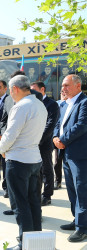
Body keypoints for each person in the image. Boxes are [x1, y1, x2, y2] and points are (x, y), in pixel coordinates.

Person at [0, 75, 47, 250]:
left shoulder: (21, 107)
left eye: (10, 91)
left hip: (18, 161)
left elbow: (10, 135)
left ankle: (25, 244)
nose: (11, 94)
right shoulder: (40, 105)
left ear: (15, 89)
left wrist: (1, 149)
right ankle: (38, 243)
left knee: (20, 204)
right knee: (34, 202)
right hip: (34, 159)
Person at [53, 74, 87, 242]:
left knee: (82, 191)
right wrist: (55, 138)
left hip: (80, 155)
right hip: (65, 154)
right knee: (72, 190)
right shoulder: (65, 104)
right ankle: (77, 220)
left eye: (66, 85)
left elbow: (81, 126)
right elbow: (58, 124)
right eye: (63, 85)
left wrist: (63, 140)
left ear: (78, 86)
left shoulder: (84, 103)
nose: (63, 88)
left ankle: (83, 228)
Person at [30, 81, 60, 206]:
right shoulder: (32, 104)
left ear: (42, 89)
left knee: (46, 169)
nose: (31, 93)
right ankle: (36, 194)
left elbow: (50, 125)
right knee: (36, 171)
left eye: (34, 90)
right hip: (31, 143)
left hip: (44, 143)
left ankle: (47, 195)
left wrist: (38, 139)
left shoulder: (52, 104)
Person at [53, 91, 67, 190]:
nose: (63, 93)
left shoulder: (72, 104)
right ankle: (57, 180)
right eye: (61, 92)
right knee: (57, 161)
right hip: (56, 138)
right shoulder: (56, 104)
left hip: (68, 138)